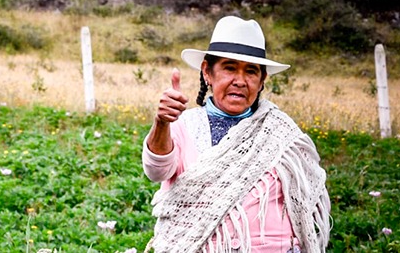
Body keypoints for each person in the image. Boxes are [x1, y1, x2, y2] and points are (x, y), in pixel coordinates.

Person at [141, 16, 331, 252]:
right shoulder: (185, 125)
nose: (240, 81)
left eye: (251, 71)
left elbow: (304, 200)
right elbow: (156, 170)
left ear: (262, 81)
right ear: (207, 73)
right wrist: (162, 122)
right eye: (229, 68)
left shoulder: (282, 133)